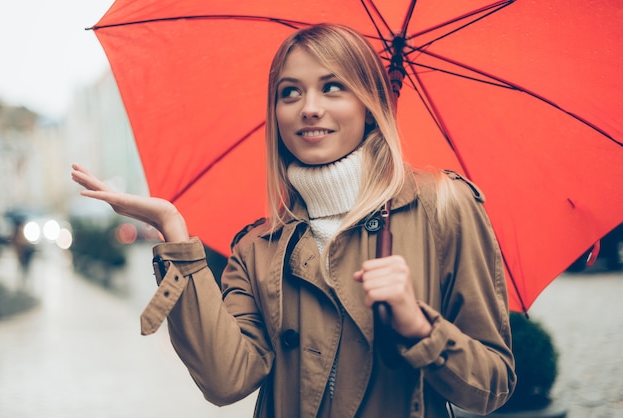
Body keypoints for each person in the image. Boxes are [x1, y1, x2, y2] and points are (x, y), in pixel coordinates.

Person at [72, 23, 515, 418]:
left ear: (369, 104)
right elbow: (226, 381)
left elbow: (491, 386)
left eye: (333, 87)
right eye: (290, 92)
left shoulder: (444, 206)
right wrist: (174, 232)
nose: (309, 107)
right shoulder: (257, 247)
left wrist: (420, 326)